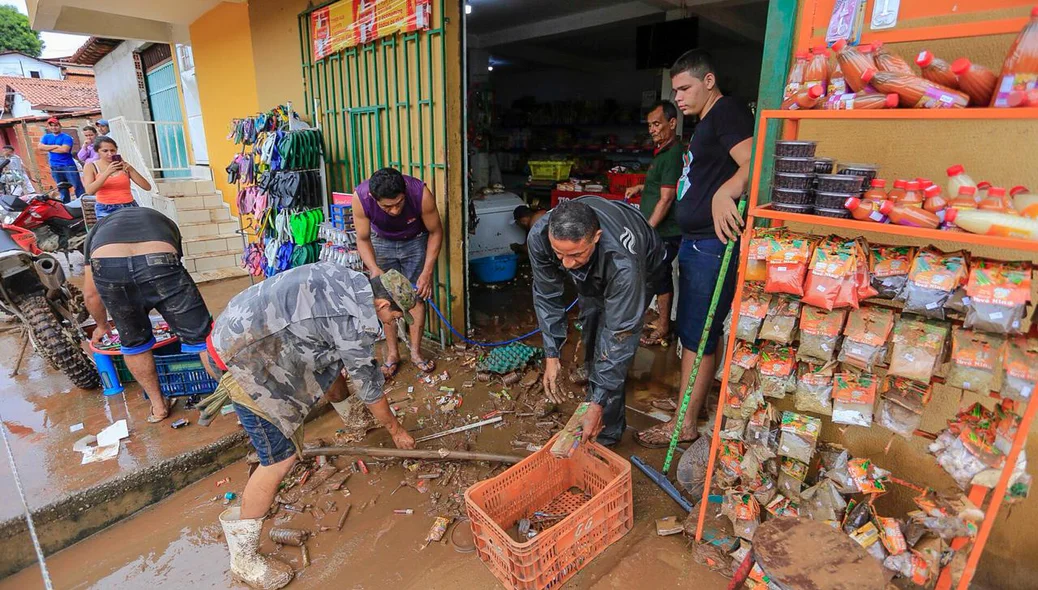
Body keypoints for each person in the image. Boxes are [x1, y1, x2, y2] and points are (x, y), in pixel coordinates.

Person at [203, 264, 417, 589]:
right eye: (396, 317)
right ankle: (244, 560)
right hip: (244, 358)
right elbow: (370, 386)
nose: (393, 323)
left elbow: (335, 357)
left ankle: (353, 419)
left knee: (331, 362)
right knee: (279, 458)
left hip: (240, 328)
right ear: (383, 305)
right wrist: (396, 431)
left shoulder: (352, 281)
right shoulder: (354, 322)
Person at [635, 49, 753, 448]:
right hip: (696, 242)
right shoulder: (706, 123)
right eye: (675, 90)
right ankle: (692, 403)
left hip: (711, 245)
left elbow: (753, 161)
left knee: (698, 334)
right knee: (694, 330)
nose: (679, 98)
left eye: (685, 88)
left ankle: (685, 424)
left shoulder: (727, 112)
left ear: (708, 81)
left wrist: (726, 192)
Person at [530, 197, 665, 446]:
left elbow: (619, 334)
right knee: (591, 322)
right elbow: (547, 296)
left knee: (611, 340)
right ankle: (596, 383)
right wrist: (551, 355)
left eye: (575, 254)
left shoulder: (624, 264)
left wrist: (598, 401)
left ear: (596, 237)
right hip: (597, 265)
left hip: (644, 263)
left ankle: (606, 432)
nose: (566, 264)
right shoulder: (540, 235)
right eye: (559, 254)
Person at [82, 207, 212, 423]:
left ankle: (159, 407)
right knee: (202, 339)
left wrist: (102, 326)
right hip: (160, 260)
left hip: (110, 267)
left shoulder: (96, 233)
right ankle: (235, 399)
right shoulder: (161, 219)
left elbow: (90, 294)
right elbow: (172, 268)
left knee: (133, 343)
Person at [353, 167, 443, 377]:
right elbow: (362, 238)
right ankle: (393, 354)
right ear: (374, 199)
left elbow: (436, 231)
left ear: (404, 193)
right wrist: (374, 269)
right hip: (381, 243)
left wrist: (427, 272)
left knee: (415, 297)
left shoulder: (420, 193)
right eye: (387, 206)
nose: (394, 210)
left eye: (399, 203)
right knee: (385, 301)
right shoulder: (361, 197)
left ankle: (416, 353)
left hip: (414, 241)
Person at [624, 100, 684, 347]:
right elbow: (661, 186)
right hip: (659, 231)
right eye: (650, 125)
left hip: (665, 232)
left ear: (672, 123)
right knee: (661, 275)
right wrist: (641, 187)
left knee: (652, 275)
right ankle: (663, 324)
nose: (652, 130)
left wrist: (646, 231)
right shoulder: (663, 152)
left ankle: (649, 326)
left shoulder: (672, 155)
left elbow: (667, 198)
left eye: (657, 124)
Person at [82, 136, 150, 219]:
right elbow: (89, 191)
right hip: (106, 208)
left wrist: (131, 170)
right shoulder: (91, 166)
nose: (110, 154)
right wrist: (107, 173)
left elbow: (147, 187)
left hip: (129, 205)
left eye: (112, 150)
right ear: (97, 151)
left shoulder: (124, 166)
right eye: (105, 151)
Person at [37, 117, 84, 202]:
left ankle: (82, 202)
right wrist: (55, 146)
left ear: (60, 126)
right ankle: (66, 204)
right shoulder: (46, 137)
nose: (54, 127)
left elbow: (64, 150)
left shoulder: (66, 137)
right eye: (51, 126)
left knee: (77, 185)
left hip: (68, 165)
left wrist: (48, 148)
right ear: (48, 127)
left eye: (56, 125)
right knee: (61, 187)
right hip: (54, 166)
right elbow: (40, 147)